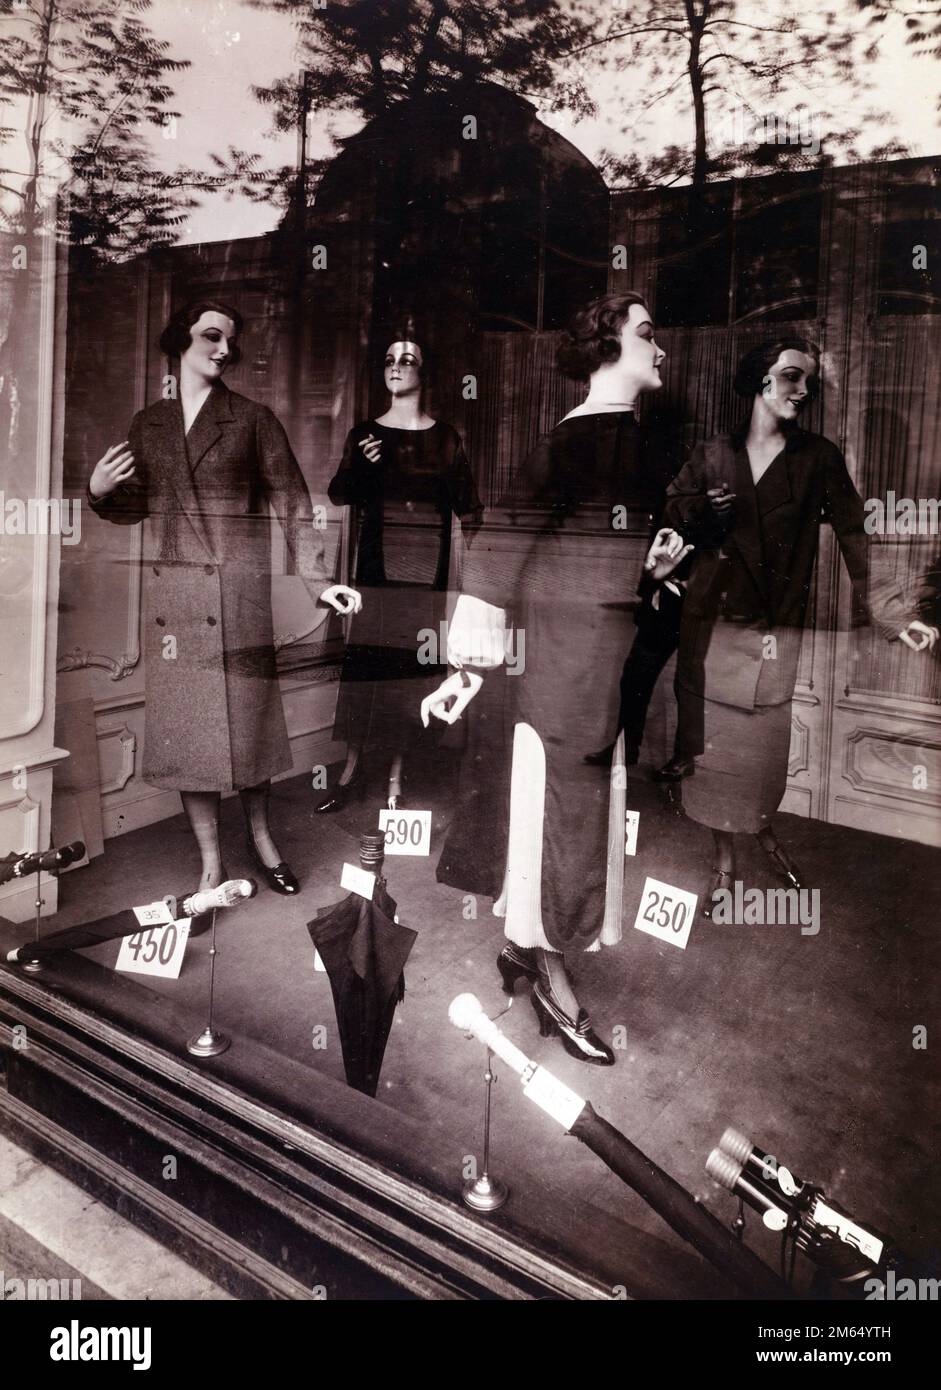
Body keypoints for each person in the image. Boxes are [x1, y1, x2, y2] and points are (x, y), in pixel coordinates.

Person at [422, 292, 688, 1065]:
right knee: (559, 811)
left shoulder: (626, 440)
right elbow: (499, 548)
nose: (659, 349)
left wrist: (646, 566)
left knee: (576, 805)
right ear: (607, 348)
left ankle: (524, 948)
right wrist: (466, 664)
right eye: (647, 334)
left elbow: (583, 549)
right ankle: (548, 975)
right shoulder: (573, 442)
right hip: (562, 665)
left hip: (600, 655)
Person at [88, 299, 361, 907]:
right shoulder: (149, 424)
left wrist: (320, 583)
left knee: (249, 730)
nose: (224, 350)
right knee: (191, 739)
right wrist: (99, 491)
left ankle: (264, 841)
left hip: (237, 598)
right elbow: (135, 506)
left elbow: (293, 503)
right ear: (178, 341)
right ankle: (211, 865)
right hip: (176, 606)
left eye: (230, 342)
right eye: (212, 336)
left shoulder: (252, 418)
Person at [659, 337, 928, 916]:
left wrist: (894, 612)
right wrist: (706, 511)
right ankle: (725, 864)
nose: (801, 391)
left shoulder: (818, 458)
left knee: (758, 759)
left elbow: (855, 535)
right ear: (759, 381)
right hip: (708, 633)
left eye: (806, 381)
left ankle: (763, 836)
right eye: (789, 377)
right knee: (710, 764)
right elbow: (673, 511)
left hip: (771, 637)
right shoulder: (712, 454)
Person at [315, 333, 481, 815]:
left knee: (411, 674)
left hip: (425, 576)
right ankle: (349, 771)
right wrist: (363, 469)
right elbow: (338, 494)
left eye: (407, 359)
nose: (396, 366)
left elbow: (470, 509)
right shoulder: (365, 434)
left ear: (423, 373)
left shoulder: (446, 438)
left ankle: (397, 779)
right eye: (389, 359)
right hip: (374, 574)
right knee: (368, 670)